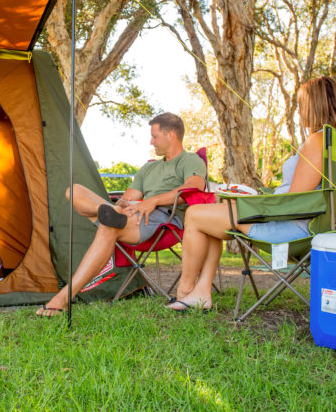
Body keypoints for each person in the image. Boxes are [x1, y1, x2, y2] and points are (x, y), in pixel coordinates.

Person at [167, 76, 336, 312]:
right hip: (303, 223)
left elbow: (295, 202)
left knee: (195, 214)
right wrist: (256, 195)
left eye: (301, 104)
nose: (298, 111)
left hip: (291, 228)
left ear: (315, 104)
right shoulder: (334, 140)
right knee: (211, 217)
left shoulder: (316, 140)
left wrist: (253, 202)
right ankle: (202, 291)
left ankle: (184, 292)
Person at [35, 112, 207, 317]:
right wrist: (125, 205)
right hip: (131, 213)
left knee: (110, 226)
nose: (151, 141)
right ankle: (108, 213)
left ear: (171, 135)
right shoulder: (149, 167)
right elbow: (128, 197)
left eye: (155, 136)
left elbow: (194, 187)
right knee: (73, 190)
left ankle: (62, 298)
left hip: (163, 218)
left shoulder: (190, 160)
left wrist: (153, 200)